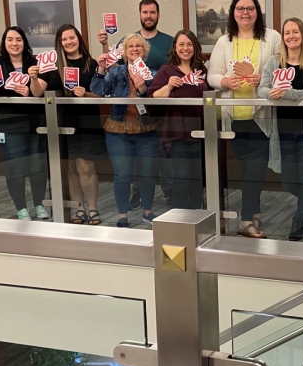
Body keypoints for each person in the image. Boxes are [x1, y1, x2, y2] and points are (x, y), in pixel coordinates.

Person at [207, 0, 281, 238]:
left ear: (257, 12)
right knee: (249, 170)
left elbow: (283, 70)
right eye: (240, 9)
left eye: (250, 8)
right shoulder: (224, 42)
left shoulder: (271, 38)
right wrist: (226, 81)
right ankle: (253, 212)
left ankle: (247, 219)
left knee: (255, 169)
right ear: (233, 13)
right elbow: (212, 77)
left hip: (261, 117)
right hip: (232, 118)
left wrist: (263, 78)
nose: (245, 13)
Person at [257, 17, 303, 241]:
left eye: (295, 32)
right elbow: (262, 89)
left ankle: (298, 221)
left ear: (302, 35)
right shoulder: (274, 63)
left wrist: (289, 94)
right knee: (287, 180)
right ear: (283, 37)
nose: (291, 36)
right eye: (287, 32)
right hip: (281, 131)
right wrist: (272, 94)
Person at [0, 26, 48, 220]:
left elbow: (43, 89)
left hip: (35, 123)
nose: (14, 43)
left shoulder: (35, 62)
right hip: (8, 124)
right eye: (10, 40)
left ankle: (39, 204)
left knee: (37, 166)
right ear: (4, 43)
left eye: (19, 39)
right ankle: (21, 208)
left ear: (24, 42)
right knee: (15, 167)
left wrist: (30, 88)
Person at [29, 24, 101, 224]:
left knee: (86, 167)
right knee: (70, 168)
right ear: (59, 43)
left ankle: (93, 208)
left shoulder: (91, 63)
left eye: (72, 38)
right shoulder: (51, 67)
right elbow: (36, 92)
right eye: (64, 39)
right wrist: (33, 77)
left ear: (79, 39)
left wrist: (85, 93)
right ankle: (78, 208)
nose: (69, 42)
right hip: (61, 120)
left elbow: (101, 94)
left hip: (87, 121)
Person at [90, 34, 157, 227]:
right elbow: (98, 89)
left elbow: (155, 95)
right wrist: (101, 69)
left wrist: (142, 87)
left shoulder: (152, 72)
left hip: (146, 129)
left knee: (147, 172)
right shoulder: (116, 71)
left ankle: (147, 210)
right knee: (122, 173)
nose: (135, 49)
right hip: (118, 129)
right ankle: (122, 214)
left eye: (139, 46)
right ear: (124, 52)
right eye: (131, 47)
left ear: (144, 51)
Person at [150, 30, 208, 211]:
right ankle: (180, 222)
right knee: (181, 180)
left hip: (200, 134)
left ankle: (197, 220)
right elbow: (152, 97)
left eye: (189, 44)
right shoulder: (166, 70)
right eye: (181, 44)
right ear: (175, 48)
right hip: (177, 135)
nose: (185, 48)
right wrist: (168, 86)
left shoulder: (201, 70)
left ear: (195, 47)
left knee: (198, 180)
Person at [96, 0, 173, 72]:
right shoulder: (127, 40)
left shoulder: (171, 42)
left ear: (158, 15)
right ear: (140, 15)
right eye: (145, 12)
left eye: (152, 12)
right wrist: (104, 44)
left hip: (163, 85)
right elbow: (111, 66)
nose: (148, 16)